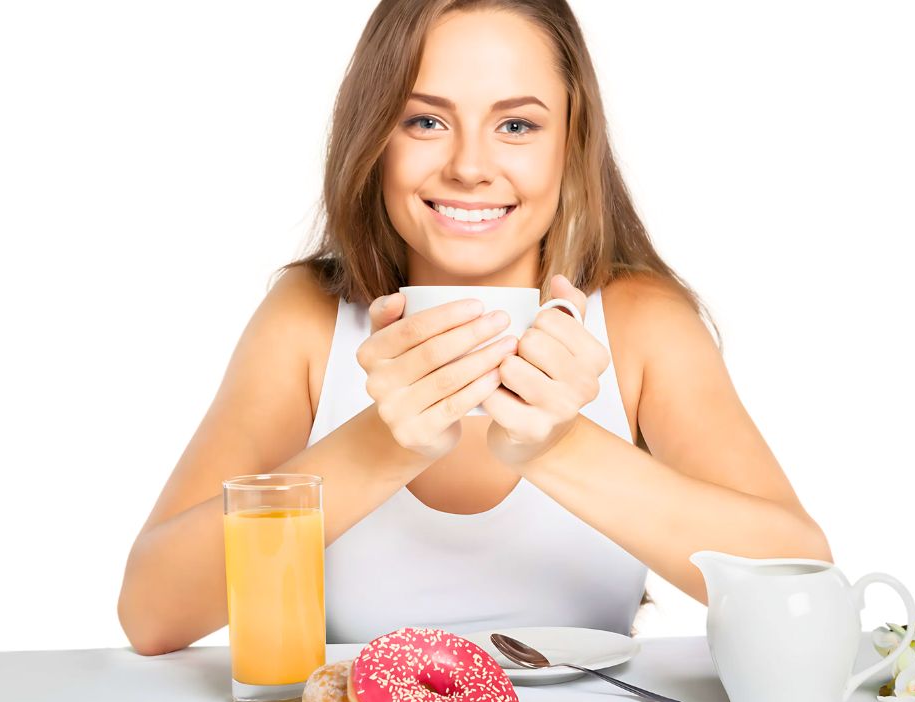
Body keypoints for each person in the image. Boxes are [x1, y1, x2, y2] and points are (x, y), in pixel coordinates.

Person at [117, 0, 832, 656]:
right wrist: (382, 445)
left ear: (570, 142)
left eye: (516, 125)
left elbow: (809, 590)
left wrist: (557, 447)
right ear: (374, 137)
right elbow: (153, 612)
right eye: (424, 120)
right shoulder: (308, 320)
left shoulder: (642, 324)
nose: (467, 167)